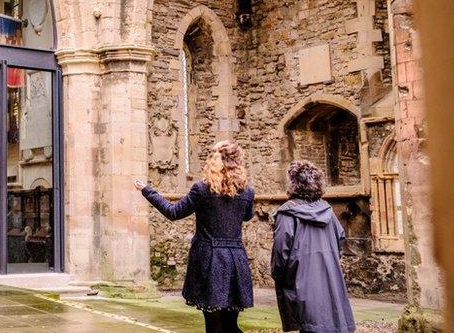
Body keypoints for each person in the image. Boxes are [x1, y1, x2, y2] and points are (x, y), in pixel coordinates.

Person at [134, 140, 254, 333]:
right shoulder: (247, 192)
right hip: (235, 260)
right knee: (231, 324)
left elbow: (173, 212)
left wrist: (148, 191)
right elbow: (248, 215)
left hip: (210, 260)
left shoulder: (202, 189)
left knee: (214, 325)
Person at [271, 160, 356, 333]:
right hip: (330, 278)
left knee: (309, 325)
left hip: (300, 281)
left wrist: (278, 274)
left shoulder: (287, 213)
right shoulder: (327, 211)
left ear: (293, 183)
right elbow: (340, 239)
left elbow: (280, 252)